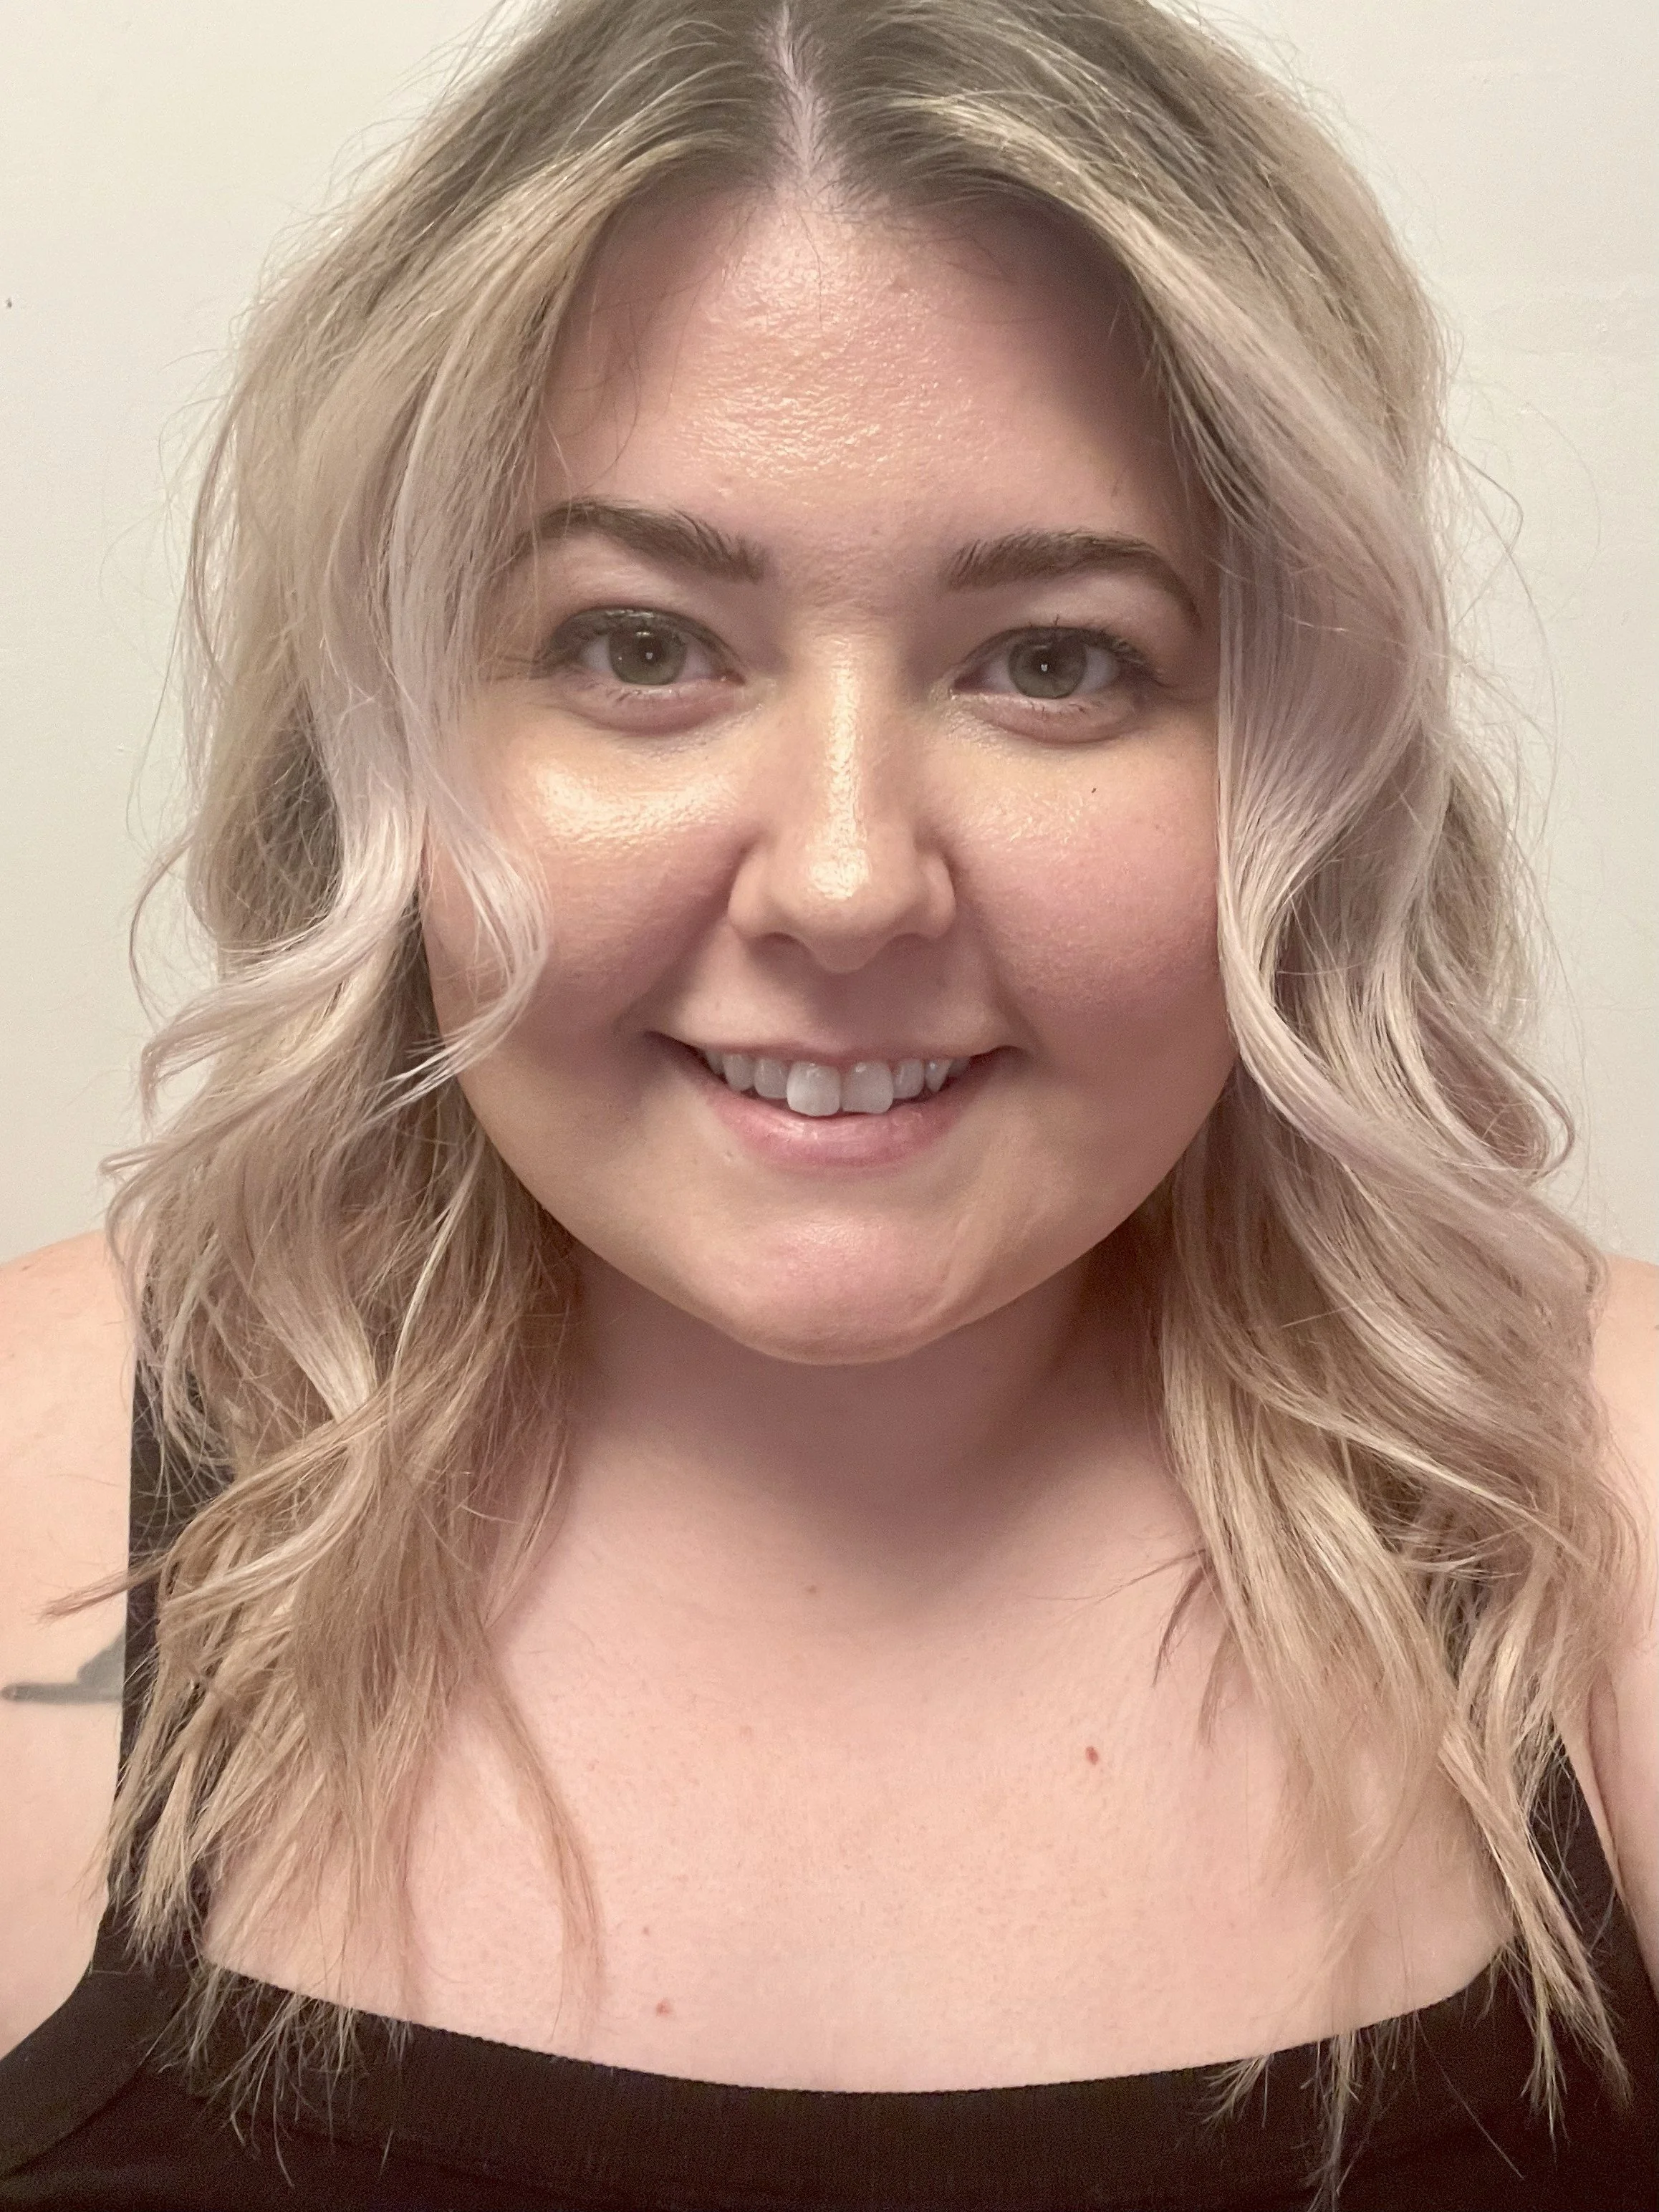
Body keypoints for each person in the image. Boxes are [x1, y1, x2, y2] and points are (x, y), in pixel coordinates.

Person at [0, 0, 1653, 2204]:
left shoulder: (1610, 1507)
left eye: (1053, 660)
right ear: (384, 735)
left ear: (1305, 763)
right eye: (640, 647)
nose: (850, 876)